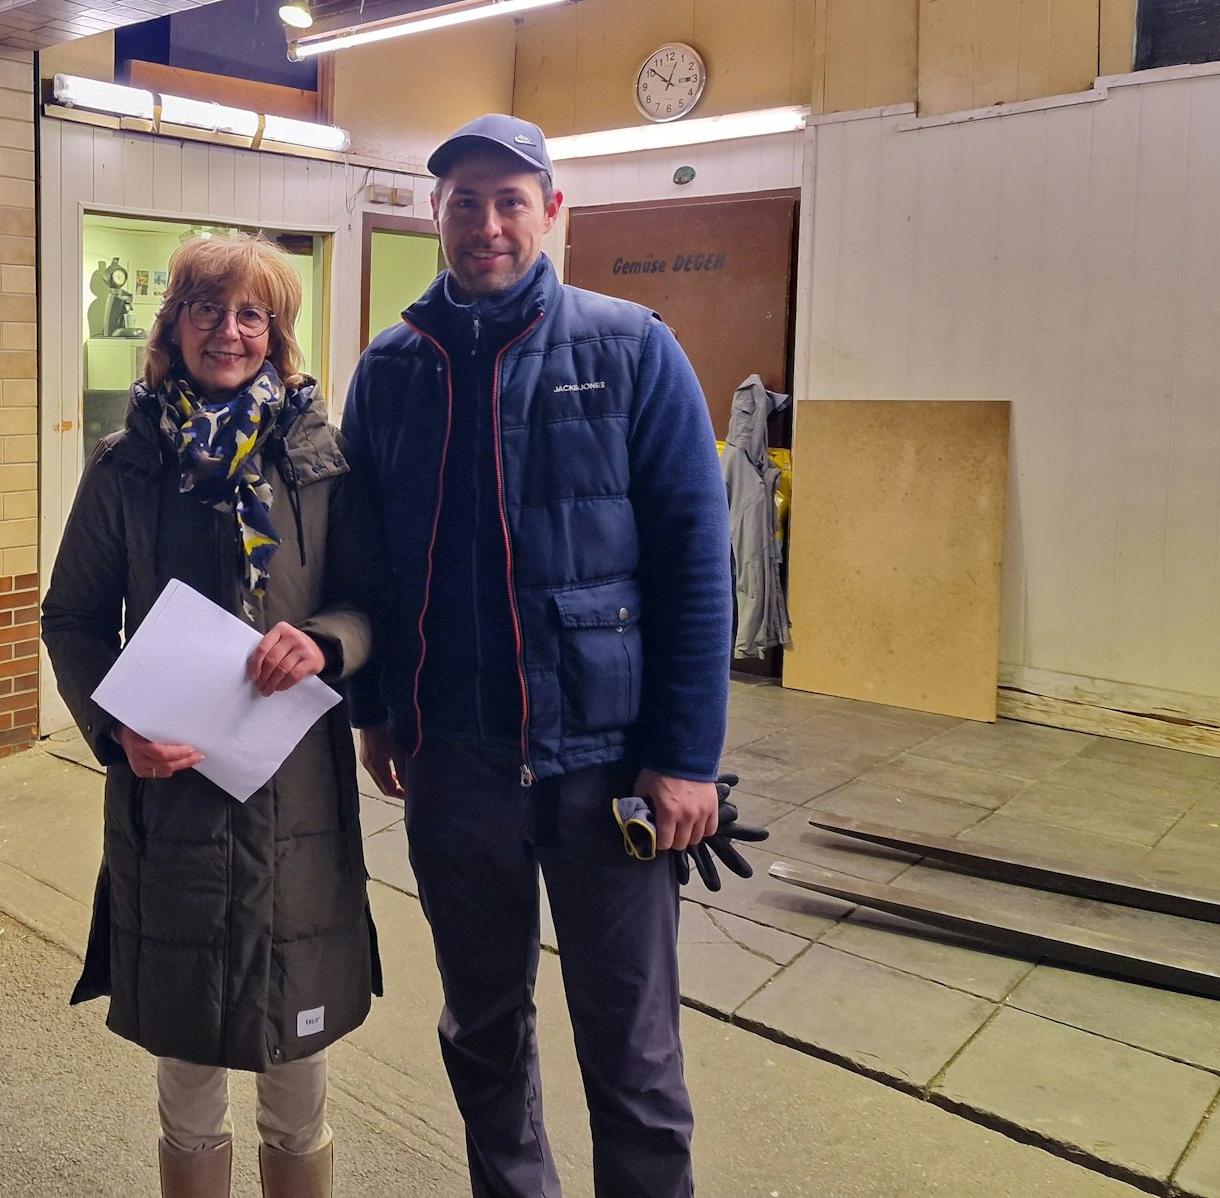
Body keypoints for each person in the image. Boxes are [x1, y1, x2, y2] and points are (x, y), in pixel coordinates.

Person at [342, 114, 733, 1198]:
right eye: (463, 201)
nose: (486, 224)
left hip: (603, 769)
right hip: (454, 765)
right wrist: (376, 711)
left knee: (633, 1050)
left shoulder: (630, 347)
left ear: (551, 210)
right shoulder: (390, 367)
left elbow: (697, 565)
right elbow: (368, 565)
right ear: (435, 215)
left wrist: (685, 756)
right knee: (481, 1028)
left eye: (509, 200)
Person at [42, 233, 380, 1198]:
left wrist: (326, 641)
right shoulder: (128, 467)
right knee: (187, 1068)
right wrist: (116, 733)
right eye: (206, 308)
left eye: (251, 315)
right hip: (175, 796)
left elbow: (369, 601)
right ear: (173, 324)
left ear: (276, 337)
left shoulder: (320, 462)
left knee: (296, 1063)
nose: (227, 332)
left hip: (296, 800)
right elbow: (71, 616)